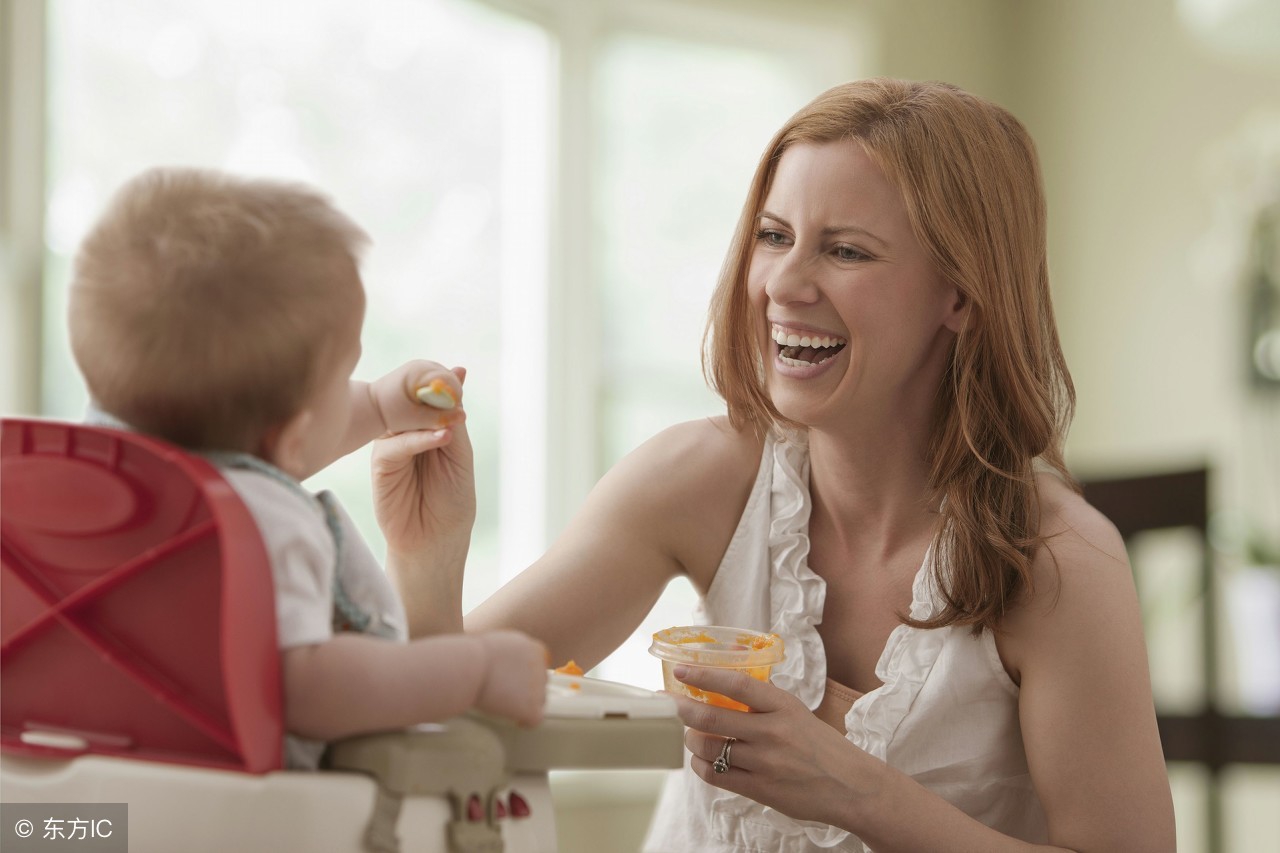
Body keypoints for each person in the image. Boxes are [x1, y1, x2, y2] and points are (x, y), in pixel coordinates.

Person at [393, 78, 1177, 851]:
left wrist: (857, 790)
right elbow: (441, 710)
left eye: (845, 250)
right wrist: (428, 560)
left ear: (962, 297)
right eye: (774, 236)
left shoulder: (1057, 560)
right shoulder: (699, 480)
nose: (784, 285)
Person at [67, 167, 548, 770]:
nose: (355, 386)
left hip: (106, 793)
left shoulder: (94, 476)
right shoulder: (265, 524)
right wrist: (473, 671)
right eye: (347, 370)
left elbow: (259, 453)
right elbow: (303, 686)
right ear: (293, 433)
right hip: (254, 818)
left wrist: (378, 405)